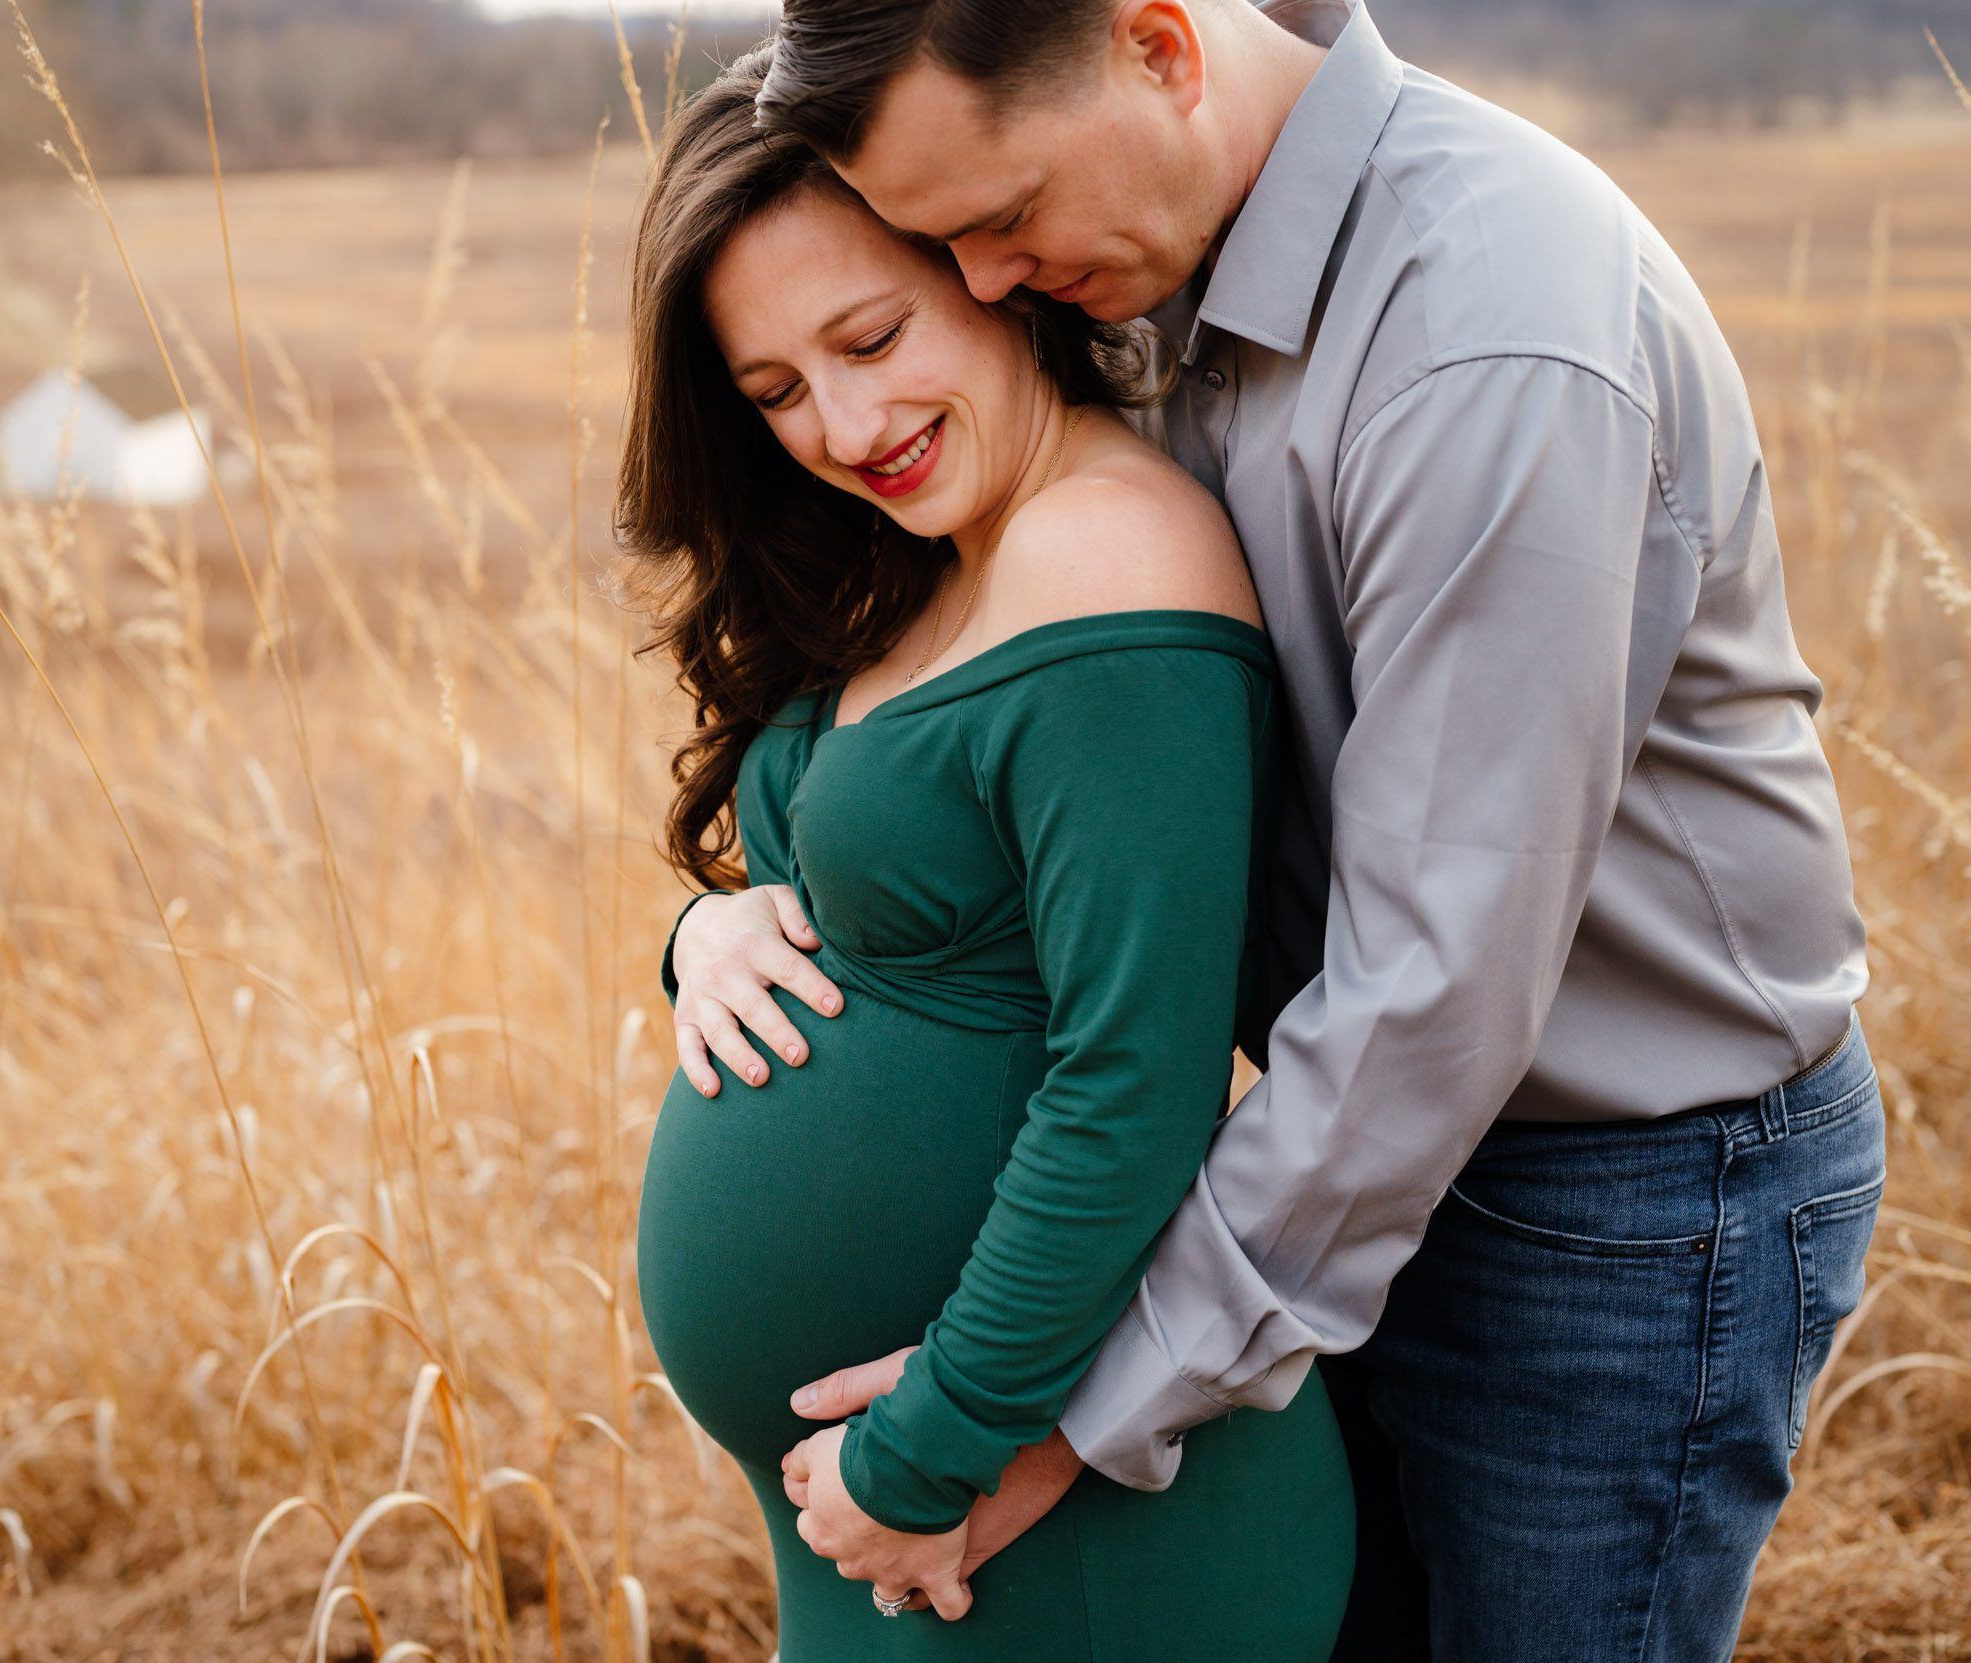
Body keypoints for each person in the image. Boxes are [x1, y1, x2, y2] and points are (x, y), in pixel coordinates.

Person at [661, 2, 1885, 1658]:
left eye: (1001, 223)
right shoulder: (1150, 264)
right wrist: (725, 921)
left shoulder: (1485, 330)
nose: (993, 284)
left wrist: (1068, 1415)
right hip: (1327, 1165)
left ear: (1161, 46)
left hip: (1620, 1193)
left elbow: (1435, 986)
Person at [620, 51, 1356, 1663]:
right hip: (894, 1517)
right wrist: (716, 935)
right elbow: (876, 893)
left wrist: (933, 1443)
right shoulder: (933, 554)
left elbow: (1132, 1083)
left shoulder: (1108, 555)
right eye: (776, 392)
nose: (846, 424)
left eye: (872, 339)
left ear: (983, 271)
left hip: (1045, 1517)